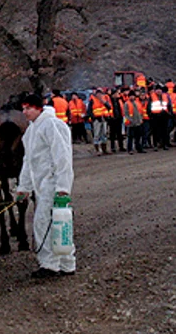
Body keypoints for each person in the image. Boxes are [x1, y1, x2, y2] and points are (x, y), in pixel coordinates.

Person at [15, 94, 74, 279]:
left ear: (39, 108)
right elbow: (29, 161)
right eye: (23, 108)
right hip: (41, 183)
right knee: (58, 224)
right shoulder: (32, 130)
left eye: (28, 108)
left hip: (52, 182)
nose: (25, 112)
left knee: (44, 222)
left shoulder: (52, 125)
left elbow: (62, 157)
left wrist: (63, 187)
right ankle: (66, 264)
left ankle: (50, 264)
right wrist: (23, 187)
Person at [87, 87, 112, 156]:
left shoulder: (104, 100)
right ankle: (97, 150)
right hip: (97, 120)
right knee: (97, 135)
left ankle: (104, 149)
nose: (99, 95)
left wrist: (104, 102)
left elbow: (109, 107)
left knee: (104, 134)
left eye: (101, 94)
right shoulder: (92, 100)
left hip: (104, 119)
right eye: (98, 94)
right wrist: (93, 118)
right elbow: (89, 111)